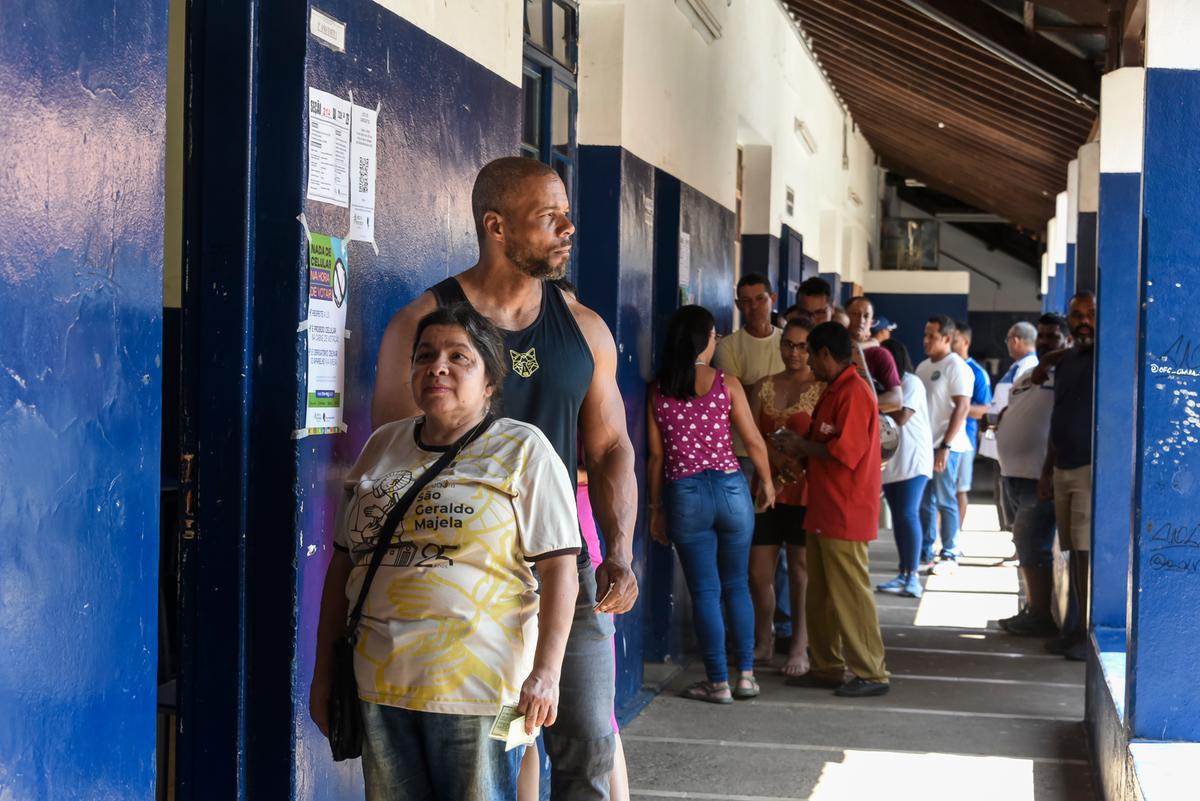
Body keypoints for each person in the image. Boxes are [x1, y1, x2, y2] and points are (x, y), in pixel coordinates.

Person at [372, 157, 637, 800]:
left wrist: (621, 552)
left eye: (566, 213)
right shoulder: (424, 326)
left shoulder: (583, 328)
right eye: (549, 218)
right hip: (464, 588)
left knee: (589, 752)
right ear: (496, 226)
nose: (568, 228)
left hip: (561, 570)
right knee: (493, 761)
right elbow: (396, 464)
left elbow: (611, 450)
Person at [311, 304, 581, 801]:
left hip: (480, 692)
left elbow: (561, 568)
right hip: (380, 686)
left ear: (490, 384)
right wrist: (324, 671)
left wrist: (547, 673)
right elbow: (344, 566)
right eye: (425, 355)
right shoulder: (381, 446)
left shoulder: (523, 449)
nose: (438, 366)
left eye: (460, 357)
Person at [646, 305, 774, 703]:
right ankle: (746, 677)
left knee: (705, 591)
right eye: (714, 334)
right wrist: (766, 481)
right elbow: (753, 441)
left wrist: (656, 509)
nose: (717, 340)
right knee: (737, 585)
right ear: (703, 341)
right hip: (732, 490)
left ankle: (718, 683)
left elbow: (656, 458)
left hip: (685, 495)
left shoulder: (658, 389)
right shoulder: (726, 383)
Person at [777, 322, 890, 697]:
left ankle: (871, 672)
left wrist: (801, 446)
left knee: (850, 592)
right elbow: (822, 443)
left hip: (846, 509)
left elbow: (846, 453)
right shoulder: (832, 391)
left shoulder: (854, 393)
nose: (807, 361)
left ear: (825, 354)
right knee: (821, 594)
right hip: (823, 507)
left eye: (810, 353)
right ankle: (827, 665)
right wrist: (799, 449)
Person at [747, 317, 824, 675]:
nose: (794, 352)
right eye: (788, 345)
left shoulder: (823, 388)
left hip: (805, 490)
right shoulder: (763, 385)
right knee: (759, 572)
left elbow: (826, 441)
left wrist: (795, 466)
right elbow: (749, 435)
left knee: (800, 570)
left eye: (802, 346)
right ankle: (764, 639)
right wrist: (774, 463)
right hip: (766, 488)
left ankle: (799, 645)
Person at [995, 314, 1070, 637]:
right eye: (1041, 336)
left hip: (1040, 476)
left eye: (1053, 337)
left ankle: (1039, 614)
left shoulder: (1069, 369)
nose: (1044, 342)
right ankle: (1032, 608)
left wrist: (1056, 356)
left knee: (1031, 544)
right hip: (1012, 473)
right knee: (1025, 544)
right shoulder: (1027, 373)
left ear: (1066, 341)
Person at [1033, 292, 1096, 662]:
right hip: (1063, 469)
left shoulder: (1107, 358)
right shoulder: (1069, 361)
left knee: (1087, 555)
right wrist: (1046, 472)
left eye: (1090, 314)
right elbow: (1059, 418)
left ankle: (1088, 636)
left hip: (1090, 471)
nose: (1083, 320)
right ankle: (1073, 627)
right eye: (1077, 315)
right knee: (1072, 552)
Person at [915, 315, 973, 574]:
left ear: (947, 339)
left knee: (945, 499)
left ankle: (949, 551)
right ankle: (925, 550)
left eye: (933, 336)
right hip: (923, 445)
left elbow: (963, 406)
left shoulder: (956, 366)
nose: (926, 341)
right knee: (924, 501)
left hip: (946, 446)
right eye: (925, 335)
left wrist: (946, 445)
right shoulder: (923, 367)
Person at [877, 339, 933, 598]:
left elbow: (901, 416)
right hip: (892, 461)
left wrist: (870, 400)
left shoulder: (911, 383)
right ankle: (903, 573)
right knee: (899, 518)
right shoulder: (886, 388)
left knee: (908, 514)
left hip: (914, 460)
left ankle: (913, 578)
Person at [951, 321, 993, 525]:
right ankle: (938, 539)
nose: (950, 343)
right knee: (940, 492)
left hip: (964, 439)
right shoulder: (943, 366)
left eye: (955, 339)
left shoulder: (976, 372)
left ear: (965, 341)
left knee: (959, 490)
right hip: (939, 438)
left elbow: (985, 409)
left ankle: (954, 539)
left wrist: (959, 409)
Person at [845, 295, 903, 412]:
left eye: (866, 316)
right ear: (845, 317)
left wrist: (856, 404)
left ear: (871, 322)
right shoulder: (831, 348)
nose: (861, 320)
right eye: (855, 314)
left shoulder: (879, 354)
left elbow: (897, 400)